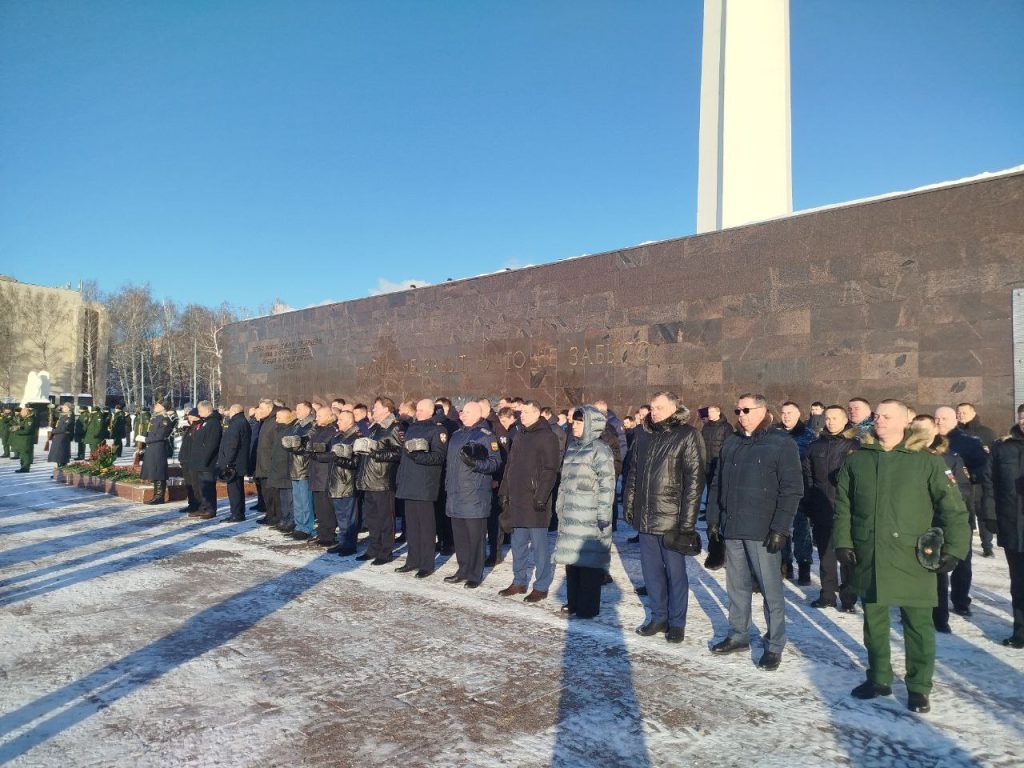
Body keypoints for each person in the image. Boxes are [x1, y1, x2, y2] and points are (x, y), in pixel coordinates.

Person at [833, 399, 970, 714]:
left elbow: (953, 509)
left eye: (886, 416)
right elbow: (843, 505)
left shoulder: (927, 461)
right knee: (874, 623)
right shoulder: (858, 460)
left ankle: (919, 687)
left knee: (918, 625)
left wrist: (954, 549)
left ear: (905, 421)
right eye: (877, 415)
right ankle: (879, 678)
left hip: (913, 556)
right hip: (870, 553)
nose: (879, 420)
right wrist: (843, 541)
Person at [707, 393, 803, 671]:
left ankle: (774, 644)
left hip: (763, 531)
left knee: (771, 590)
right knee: (737, 587)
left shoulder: (781, 442)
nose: (740, 415)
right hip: (733, 527)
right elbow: (717, 483)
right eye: (737, 410)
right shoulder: (732, 442)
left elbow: (792, 489)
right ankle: (738, 634)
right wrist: (714, 519)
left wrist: (780, 527)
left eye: (746, 410)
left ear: (762, 410)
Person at [624, 391, 705, 642]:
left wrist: (687, 524)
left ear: (673, 408)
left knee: (675, 574)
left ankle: (677, 622)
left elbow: (694, 483)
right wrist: (629, 504)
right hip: (646, 518)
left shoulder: (688, 435)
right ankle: (659, 617)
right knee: (651, 574)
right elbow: (633, 472)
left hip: (672, 521)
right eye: (652, 407)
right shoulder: (643, 434)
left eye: (659, 407)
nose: (653, 412)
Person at [553, 405, 615, 619]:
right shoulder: (572, 447)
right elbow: (564, 482)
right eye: (575, 422)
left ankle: (588, 606)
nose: (575, 426)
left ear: (591, 424)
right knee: (572, 561)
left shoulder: (600, 450)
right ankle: (573, 602)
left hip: (590, 516)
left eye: (580, 422)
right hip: (571, 514)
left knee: (589, 562)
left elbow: (607, 486)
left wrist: (603, 515)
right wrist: (560, 505)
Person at [497, 400, 561, 602]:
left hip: (535, 501)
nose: (520, 415)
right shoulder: (519, 434)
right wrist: (504, 491)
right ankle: (519, 581)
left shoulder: (547, 436)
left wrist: (541, 496)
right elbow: (510, 466)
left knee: (540, 547)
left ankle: (541, 586)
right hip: (517, 499)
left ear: (536, 413)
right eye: (520, 412)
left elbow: (551, 470)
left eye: (524, 412)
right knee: (518, 544)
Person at [802, 405, 858, 611]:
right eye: (827, 418)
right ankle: (827, 594)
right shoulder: (815, 446)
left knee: (846, 554)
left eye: (835, 418)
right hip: (821, 507)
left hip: (846, 510)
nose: (831, 422)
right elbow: (807, 476)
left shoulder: (855, 446)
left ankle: (848, 597)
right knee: (825, 554)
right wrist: (808, 503)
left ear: (845, 420)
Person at [444, 401, 502, 588]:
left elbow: (495, 463)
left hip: (475, 496)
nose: (463, 415)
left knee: (475, 538)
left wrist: (475, 463)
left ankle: (475, 574)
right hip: (455, 494)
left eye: (467, 412)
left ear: (478, 414)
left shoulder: (486, 436)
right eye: (462, 412)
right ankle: (463, 569)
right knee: (460, 537)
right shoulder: (456, 435)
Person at [396, 398, 449, 577]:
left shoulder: (438, 430)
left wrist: (418, 457)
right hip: (409, 482)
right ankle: (413, 560)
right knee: (411, 526)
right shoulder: (412, 428)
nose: (417, 413)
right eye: (417, 410)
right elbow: (405, 456)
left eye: (420, 410)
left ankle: (426, 564)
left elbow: (439, 457)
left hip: (425, 484)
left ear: (430, 411)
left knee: (426, 527)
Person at [989, 404, 1024, 649]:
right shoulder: (1002, 448)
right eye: (1022, 418)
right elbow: (989, 483)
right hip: (1013, 526)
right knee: (1019, 583)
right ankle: (1020, 632)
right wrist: (990, 515)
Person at [352, 397, 402, 563]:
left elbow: (398, 452)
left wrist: (376, 454)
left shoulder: (393, 427)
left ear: (386, 409)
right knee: (372, 518)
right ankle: (373, 548)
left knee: (385, 519)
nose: (372, 410)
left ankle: (385, 551)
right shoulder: (374, 428)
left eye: (376, 407)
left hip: (382, 480)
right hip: (368, 479)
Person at [777, 401, 815, 584]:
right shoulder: (774, 434)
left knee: (802, 529)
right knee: (781, 527)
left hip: (801, 489)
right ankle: (785, 563)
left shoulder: (808, 435)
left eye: (790, 413)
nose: (786, 416)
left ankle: (804, 565)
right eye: (783, 413)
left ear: (799, 414)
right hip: (779, 489)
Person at [957, 402, 998, 558]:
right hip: (961, 481)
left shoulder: (987, 433)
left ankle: (987, 546)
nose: (961, 415)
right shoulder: (954, 433)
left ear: (973, 413)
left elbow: (994, 456)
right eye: (958, 412)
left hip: (981, 481)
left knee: (982, 513)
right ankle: (964, 546)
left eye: (964, 412)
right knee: (964, 514)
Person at [324, 407, 362, 556]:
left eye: (340, 420)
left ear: (349, 421)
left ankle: (350, 544)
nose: (337, 422)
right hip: (336, 481)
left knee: (349, 516)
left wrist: (337, 459)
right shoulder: (337, 437)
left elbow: (356, 462)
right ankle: (342, 542)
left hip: (348, 482)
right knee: (341, 515)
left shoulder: (356, 438)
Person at [700, 405, 732, 570]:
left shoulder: (726, 427)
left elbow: (728, 446)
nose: (710, 414)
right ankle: (709, 514)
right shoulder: (706, 427)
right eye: (709, 412)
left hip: (720, 464)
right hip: (707, 464)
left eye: (713, 412)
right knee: (710, 493)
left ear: (719, 412)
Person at [307, 406, 342, 545]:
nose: (316, 418)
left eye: (319, 416)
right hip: (316, 473)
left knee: (326, 508)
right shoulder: (318, 430)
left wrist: (317, 455)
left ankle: (328, 536)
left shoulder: (332, 431)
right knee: (319, 508)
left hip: (325, 475)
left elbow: (332, 454)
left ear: (328, 416)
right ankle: (322, 533)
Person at [282, 401, 317, 540]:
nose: (296, 411)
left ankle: (306, 527)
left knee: (305, 500)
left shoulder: (312, 425)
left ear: (307, 410)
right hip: (294, 465)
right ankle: (299, 525)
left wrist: (296, 445)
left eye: (299, 409)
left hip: (304, 467)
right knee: (297, 499)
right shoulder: (296, 425)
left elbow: (307, 444)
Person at [217, 403, 251, 522]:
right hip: (239, 462)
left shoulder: (236, 424)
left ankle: (236, 514)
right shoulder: (243, 421)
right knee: (238, 489)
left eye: (230, 411)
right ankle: (239, 512)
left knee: (234, 490)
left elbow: (232, 445)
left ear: (234, 411)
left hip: (234, 464)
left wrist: (228, 462)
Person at [189, 401, 222, 518]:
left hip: (207, 462)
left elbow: (212, 444)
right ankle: (203, 507)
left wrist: (205, 459)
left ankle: (210, 509)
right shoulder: (206, 422)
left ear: (207, 410)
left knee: (208, 487)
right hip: (200, 461)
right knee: (201, 487)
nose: (198, 413)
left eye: (200, 410)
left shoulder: (213, 423)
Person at [269, 406, 297, 533]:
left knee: (289, 499)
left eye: (278, 417)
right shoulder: (280, 430)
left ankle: (290, 521)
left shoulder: (290, 430)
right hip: (279, 470)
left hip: (287, 470)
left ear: (286, 418)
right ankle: (285, 519)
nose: (276, 420)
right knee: (283, 498)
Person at [140, 403, 176, 503]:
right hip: (152, 447)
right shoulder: (156, 418)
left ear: (163, 407)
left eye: (158, 405)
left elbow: (160, 436)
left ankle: (159, 497)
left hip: (158, 448)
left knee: (158, 471)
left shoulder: (165, 420)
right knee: (154, 471)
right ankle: (156, 496)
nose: (155, 406)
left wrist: (145, 439)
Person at [10, 407, 36, 473]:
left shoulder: (30, 420)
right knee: (22, 454)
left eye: (22, 412)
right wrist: (16, 427)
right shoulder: (25, 419)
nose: (21, 413)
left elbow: (27, 431)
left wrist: (16, 431)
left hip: (26, 440)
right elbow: (21, 426)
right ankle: (23, 467)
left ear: (26, 413)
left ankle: (25, 468)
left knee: (25, 454)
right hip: (22, 441)